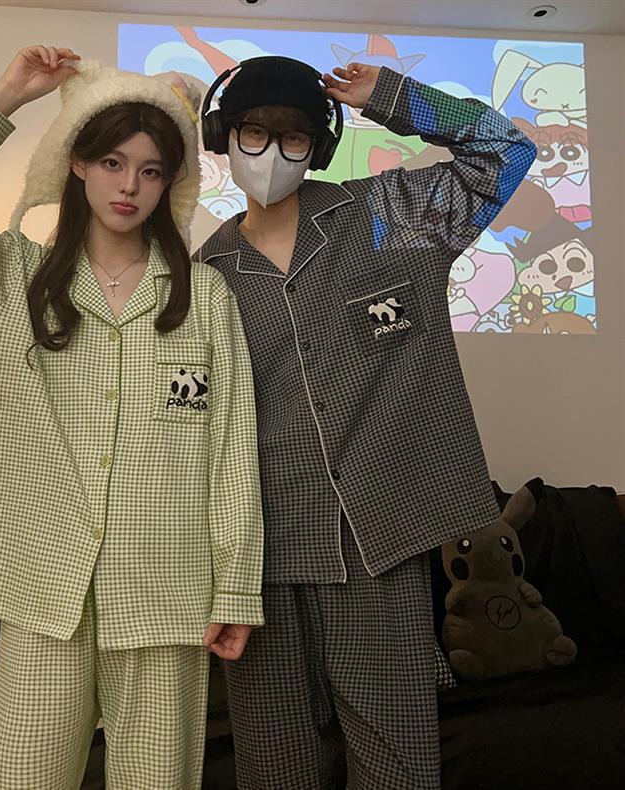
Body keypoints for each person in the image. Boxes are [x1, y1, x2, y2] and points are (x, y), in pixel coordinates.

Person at [0, 45, 264, 790]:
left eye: (151, 171)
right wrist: (8, 93)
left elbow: (231, 453)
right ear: (78, 164)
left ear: (170, 183)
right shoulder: (5, 278)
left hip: (166, 591)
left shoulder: (205, 300)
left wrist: (235, 588)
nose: (129, 186)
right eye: (113, 163)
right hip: (42, 587)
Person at [195, 55, 537, 789]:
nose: (272, 153)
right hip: (261, 559)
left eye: (293, 137)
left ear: (317, 146)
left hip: (379, 543)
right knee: (274, 771)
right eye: (253, 134)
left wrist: (392, 96)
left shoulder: (388, 215)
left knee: (398, 769)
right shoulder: (204, 276)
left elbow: (505, 152)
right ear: (223, 138)